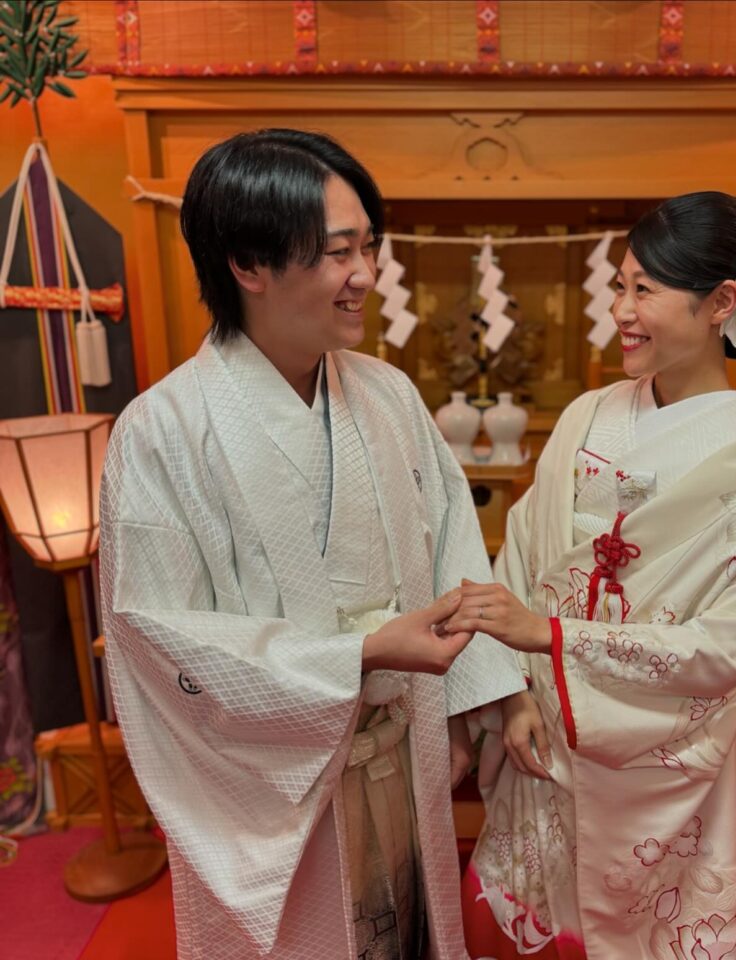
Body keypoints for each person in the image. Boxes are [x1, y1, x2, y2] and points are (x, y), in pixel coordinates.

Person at [99, 128, 525, 960]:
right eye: (338, 252)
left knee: (410, 929)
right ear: (249, 266)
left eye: (369, 246)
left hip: (406, 761)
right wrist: (357, 656)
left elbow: (454, 552)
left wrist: (484, 695)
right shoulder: (162, 433)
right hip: (280, 789)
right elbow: (158, 633)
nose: (366, 275)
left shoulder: (390, 396)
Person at [454, 192, 736, 959]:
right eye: (620, 285)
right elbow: (519, 561)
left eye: (645, 289)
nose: (621, 309)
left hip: (652, 765)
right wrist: (512, 695)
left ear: (721, 302)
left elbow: (729, 648)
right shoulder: (586, 416)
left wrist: (553, 637)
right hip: (539, 739)